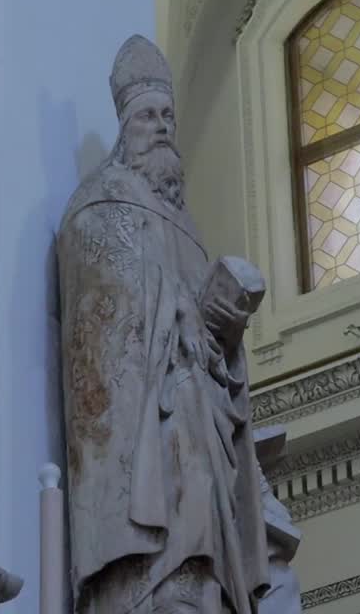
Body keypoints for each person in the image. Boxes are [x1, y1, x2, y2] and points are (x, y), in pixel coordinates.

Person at [58, 35, 271, 612]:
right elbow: (97, 330)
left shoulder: (189, 229)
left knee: (204, 501)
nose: (162, 127)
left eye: (168, 117)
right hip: (154, 413)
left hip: (201, 404)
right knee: (185, 498)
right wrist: (168, 310)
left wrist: (225, 340)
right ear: (126, 127)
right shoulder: (99, 203)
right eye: (148, 116)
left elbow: (210, 338)